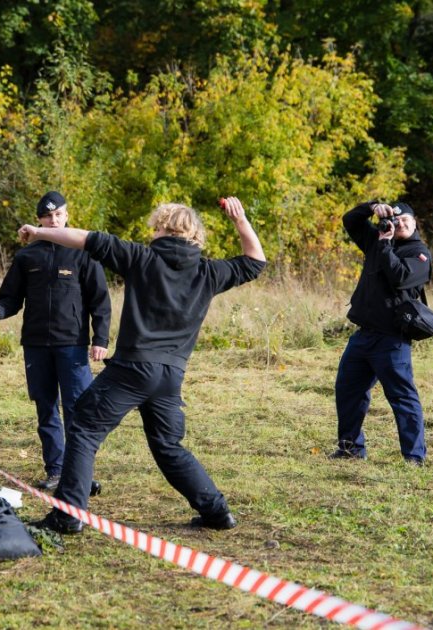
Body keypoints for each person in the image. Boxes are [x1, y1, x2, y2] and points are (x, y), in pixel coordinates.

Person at [30, 197, 266, 534]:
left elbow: (84, 238)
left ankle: (68, 515)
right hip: (170, 376)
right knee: (167, 446)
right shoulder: (208, 272)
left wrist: (39, 232)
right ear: (194, 235)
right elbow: (256, 261)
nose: (152, 232)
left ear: (163, 229)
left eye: (155, 227)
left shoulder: (141, 257)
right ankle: (217, 512)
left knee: (83, 426)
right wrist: (239, 220)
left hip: (132, 369)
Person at [0, 191, 111, 491]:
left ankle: (79, 473)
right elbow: (10, 298)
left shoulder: (83, 253)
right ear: (39, 220)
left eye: (58, 215)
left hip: (73, 345)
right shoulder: (27, 256)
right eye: (47, 216)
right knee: (46, 408)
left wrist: (100, 338)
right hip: (36, 345)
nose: (53, 221)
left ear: (67, 215)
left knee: (78, 408)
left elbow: (100, 300)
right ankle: (55, 470)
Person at [330, 201, 432, 465]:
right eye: (396, 220)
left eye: (405, 219)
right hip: (363, 335)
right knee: (348, 390)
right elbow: (350, 220)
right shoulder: (376, 241)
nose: (400, 224)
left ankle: (414, 456)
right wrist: (372, 207)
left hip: (392, 338)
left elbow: (401, 277)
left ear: (415, 222)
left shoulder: (419, 253)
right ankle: (350, 448)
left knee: (401, 396)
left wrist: (385, 245)